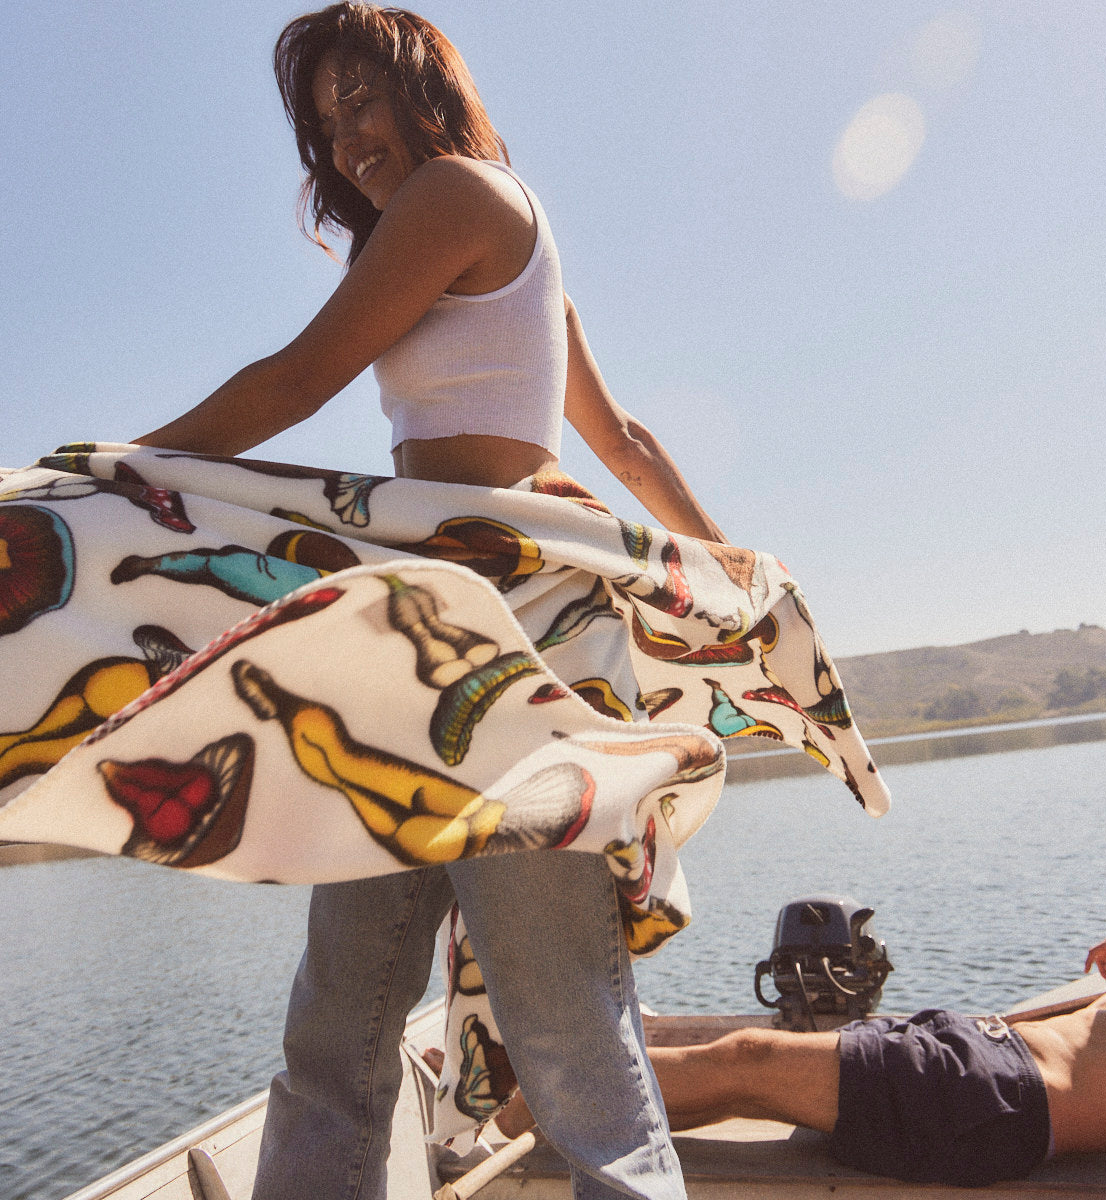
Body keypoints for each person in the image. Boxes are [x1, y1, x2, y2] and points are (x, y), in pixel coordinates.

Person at [126, 6, 718, 1199]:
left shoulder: (461, 197)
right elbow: (626, 440)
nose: (345, 140)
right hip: (413, 649)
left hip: (517, 657)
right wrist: (718, 549)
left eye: (361, 100)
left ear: (424, 89)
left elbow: (296, 380)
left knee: (568, 1037)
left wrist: (115, 468)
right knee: (336, 1030)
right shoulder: (466, 223)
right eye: (323, 120)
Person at [476, 787, 1106, 1188]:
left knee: (750, 1060)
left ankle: (510, 1114)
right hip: (978, 1061)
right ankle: (547, 1106)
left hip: (995, 1103)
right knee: (744, 1078)